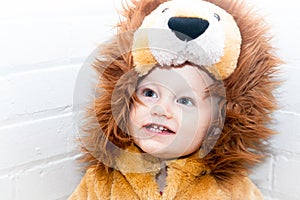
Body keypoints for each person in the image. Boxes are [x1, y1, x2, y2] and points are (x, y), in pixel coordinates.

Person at [69, 0, 281, 199]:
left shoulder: (231, 188)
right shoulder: (101, 181)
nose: (160, 109)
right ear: (126, 101)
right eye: (150, 93)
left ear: (216, 124)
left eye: (184, 101)